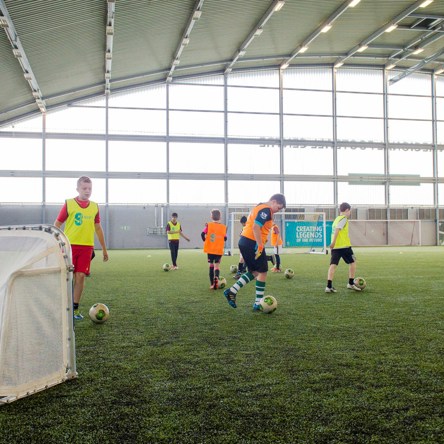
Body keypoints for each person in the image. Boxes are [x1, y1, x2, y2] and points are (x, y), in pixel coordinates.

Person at [54, 176, 109, 320]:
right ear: (77, 189)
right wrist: (58, 242)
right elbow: (57, 224)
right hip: (69, 246)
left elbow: (98, 228)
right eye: (84, 188)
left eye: (90, 188)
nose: (87, 191)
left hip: (86, 248)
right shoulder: (69, 204)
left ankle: (75, 309)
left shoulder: (94, 207)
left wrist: (104, 248)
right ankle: (61, 307)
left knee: (80, 276)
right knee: (67, 277)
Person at [223, 193, 287, 310]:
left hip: (245, 241)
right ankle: (253, 301)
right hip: (251, 242)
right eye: (278, 207)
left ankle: (234, 292)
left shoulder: (260, 206)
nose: (278, 210)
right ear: (273, 201)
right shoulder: (266, 210)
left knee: (257, 271)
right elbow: (255, 227)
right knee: (261, 271)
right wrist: (260, 244)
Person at [325, 202, 361, 293]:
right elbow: (337, 229)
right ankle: (351, 283)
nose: (350, 213)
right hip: (344, 247)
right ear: (347, 210)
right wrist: (333, 242)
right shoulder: (344, 219)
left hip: (336, 247)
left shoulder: (337, 219)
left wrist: (333, 244)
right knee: (353, 262)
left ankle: (328, 286)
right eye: (350, 211)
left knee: (333, 265)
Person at [201, 209, 227, 289]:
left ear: (211, 216)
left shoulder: (208, 225)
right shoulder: (223, 227)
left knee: (211, 266)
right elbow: (225, 238)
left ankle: (212, 284)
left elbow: (202, 234)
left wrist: (205, 240)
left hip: (210, 249)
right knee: (217, 266)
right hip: (219, 250)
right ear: (220, 217)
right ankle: (216, 280)